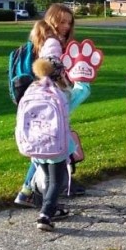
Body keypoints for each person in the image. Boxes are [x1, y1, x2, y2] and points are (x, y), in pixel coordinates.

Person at [14, 4, 81, 207]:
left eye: (69, 23)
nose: (66, 27)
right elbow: (49, 69)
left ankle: (30, 191)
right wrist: (66, 81)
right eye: (62, 22)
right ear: (52, 20)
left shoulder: (41, 38)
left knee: (42, 146)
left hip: (33, 98)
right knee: (49, 147)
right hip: (48, 100)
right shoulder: (53, 42)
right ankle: (35, 194)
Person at [29, 57, 91, 232]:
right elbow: (82, 92)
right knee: (58, 180)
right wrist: (83, 78)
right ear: (61, 74)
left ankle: (52, 208)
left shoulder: (33, 90)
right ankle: (45, 215)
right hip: (55, 145)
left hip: (35, 143)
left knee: (49, 178)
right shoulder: (62, 95)